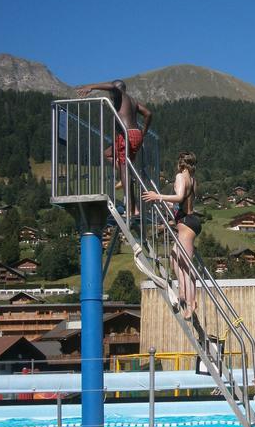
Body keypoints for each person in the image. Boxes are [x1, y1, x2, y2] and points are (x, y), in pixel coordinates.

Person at [76, 80, 152, 216]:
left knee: (124, 170)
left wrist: (91, 86)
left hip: (126, 135)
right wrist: (143, 132)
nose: (111, 95)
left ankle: (130, 208)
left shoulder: (119, 94)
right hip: (135, 134)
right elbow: (148, 113)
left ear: (117, 90)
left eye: (112, 93)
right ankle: (133, 203)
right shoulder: (132, 100)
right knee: (108, 154)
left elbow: (112, 86)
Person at [143, 152, 200, 318]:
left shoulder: (181, 176)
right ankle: (183, 291)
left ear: (180, 164)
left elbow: (180, 196)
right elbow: (183, 202)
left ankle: (191, 303)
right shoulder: (193, 179)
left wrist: (158, 196)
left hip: (186, 225)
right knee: (175, 259)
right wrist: (163, 201)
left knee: (186, 266)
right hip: (189, 221)